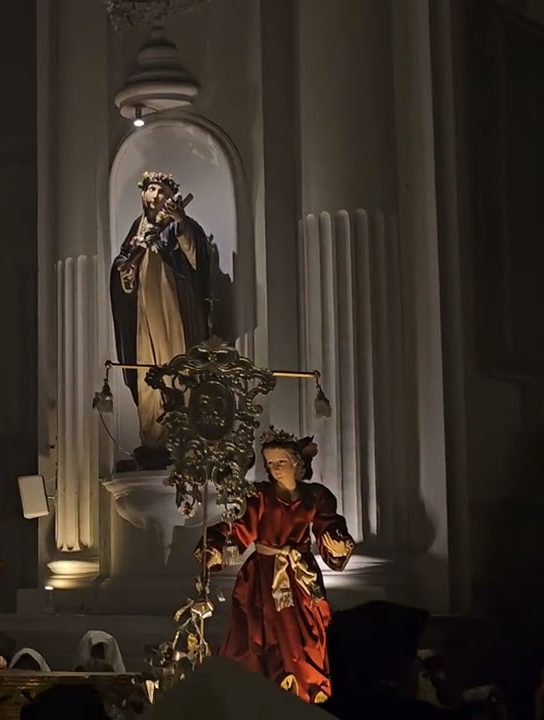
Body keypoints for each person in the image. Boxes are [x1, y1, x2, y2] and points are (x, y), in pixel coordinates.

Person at [195, 427, 355, 703]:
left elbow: (328, 526)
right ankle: (264, 697)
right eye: (270, 463)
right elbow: (238, 527)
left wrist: (337, 543)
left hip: (300, 576)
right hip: (263, 578)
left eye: (280, 461)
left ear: (296, 462)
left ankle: (307, 695)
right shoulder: (260, 497)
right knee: (263, 636)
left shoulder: (315, 496)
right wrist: (215, 547)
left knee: (307, 638)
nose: (275, 468)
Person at [109, 171, 223, 469]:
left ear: (172, 197)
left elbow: (196, 258)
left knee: (177, 367)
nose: (155, 195)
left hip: (174, 311)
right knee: (147, 374)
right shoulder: (137, 228)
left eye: (162, 191)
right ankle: (153, 439)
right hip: (144, 315)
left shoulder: (177, 224)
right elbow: (123, 266)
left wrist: (180, 223)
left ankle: (182, 435)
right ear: (143, 194)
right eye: (151, 189)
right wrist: (126, 274)